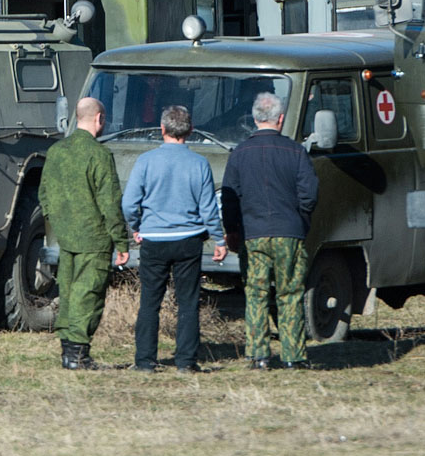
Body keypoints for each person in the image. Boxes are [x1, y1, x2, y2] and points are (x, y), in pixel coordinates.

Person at [122, 105, 227, 373]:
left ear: (162, 129)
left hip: (154, 238)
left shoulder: (146, 161)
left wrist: (135, 226)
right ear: (190, 131)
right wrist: (218, 238)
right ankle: (186, 361)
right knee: (188, 302)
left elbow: (129, 202)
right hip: (189, 239)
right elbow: (208, 208)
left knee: (149, 302)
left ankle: (145, 361)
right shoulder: (200, 163)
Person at [221, 92, 318, 370]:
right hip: (290, 231)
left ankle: (259, 356)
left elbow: (230, 198)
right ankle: (293, 356)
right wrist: (299, 220)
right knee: (290, 294)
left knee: (256, 293)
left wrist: (232, 230)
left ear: (254, 119)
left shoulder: (239, 154)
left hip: (253, 233)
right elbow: (309, 194)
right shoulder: (296, 151)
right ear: (281, 119)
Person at [38, 97, 129, 370]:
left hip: (66, 237)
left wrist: (59, 223)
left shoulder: (56, 151)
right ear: (99, 119)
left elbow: (44, 195)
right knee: (88, 295)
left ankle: (68, 352)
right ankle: (78, 356)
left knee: (67, 294)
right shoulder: (99, 155)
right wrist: (121, 240)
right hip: (95, 238)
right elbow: (110, 204)